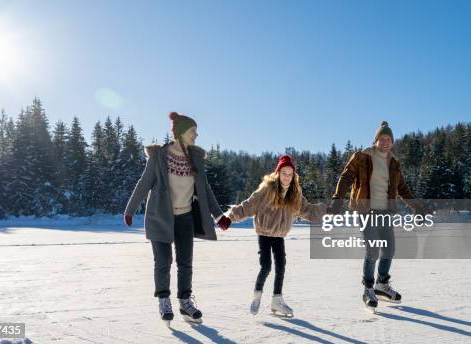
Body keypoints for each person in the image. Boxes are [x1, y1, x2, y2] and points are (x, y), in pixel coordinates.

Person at [123, 112, 232, 325]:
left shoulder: (196, 159)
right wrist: (130, 210)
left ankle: (185, 301)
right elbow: (144, 183)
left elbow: (205, 189)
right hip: (160, 216)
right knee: (163, 261)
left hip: (185, 217)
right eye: (193, 131)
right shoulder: (159, 157)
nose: (196, 135)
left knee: (185, 262)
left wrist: (219, 215)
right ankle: (164, 299)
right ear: (180, 133)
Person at [331, 121, 419, 311]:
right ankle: (368, 289)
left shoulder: (394, 163)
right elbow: (346, 177)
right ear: (376, 140)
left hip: (385, 212)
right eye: (382, 138)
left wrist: (416, 207)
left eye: (389, 139)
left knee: (389, 250)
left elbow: (402, 188)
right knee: (372, 250)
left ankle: (382, 285)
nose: (385, 142)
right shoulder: (362, 157)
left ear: (392, 142)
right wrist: (338, 199)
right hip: (365, 210)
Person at [227, 154, 327, 317]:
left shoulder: (295, 195)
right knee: (266, 266)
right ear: (278, 173)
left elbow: (308, 210)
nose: (287, 177)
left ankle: (277, 300)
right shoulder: (266, 190)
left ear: (293, 176)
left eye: (290, 174)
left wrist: (326, 209)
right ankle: (257, 295)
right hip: (264, 233)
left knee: (281, 266)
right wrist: (230, 217)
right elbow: (248, 206)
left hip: (279, 235)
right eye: (284, 173)